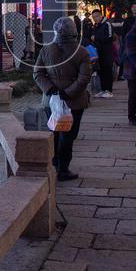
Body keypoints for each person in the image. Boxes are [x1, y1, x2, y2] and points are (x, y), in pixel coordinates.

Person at [33, 17, 93, 180]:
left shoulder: (46, 50)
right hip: (74, 101)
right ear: (74, 31)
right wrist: (67, 93)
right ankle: (63, 169)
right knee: (68, 135)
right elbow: (84, 78)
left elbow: (38, 73)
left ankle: (53, 165)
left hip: (51, 101)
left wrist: (51, 90)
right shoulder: (81, 52)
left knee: (55, 132)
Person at [90, 9, 115, 98]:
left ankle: (109, 90)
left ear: (101, 15)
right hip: (98, 52)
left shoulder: (107, 24)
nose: (95, 19)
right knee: (101, 71)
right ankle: (103, 90)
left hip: (107, 52)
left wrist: (96, 38)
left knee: (107, 71)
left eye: (96, 16)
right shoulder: (96, 25)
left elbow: (109, 37)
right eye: (93, 17)